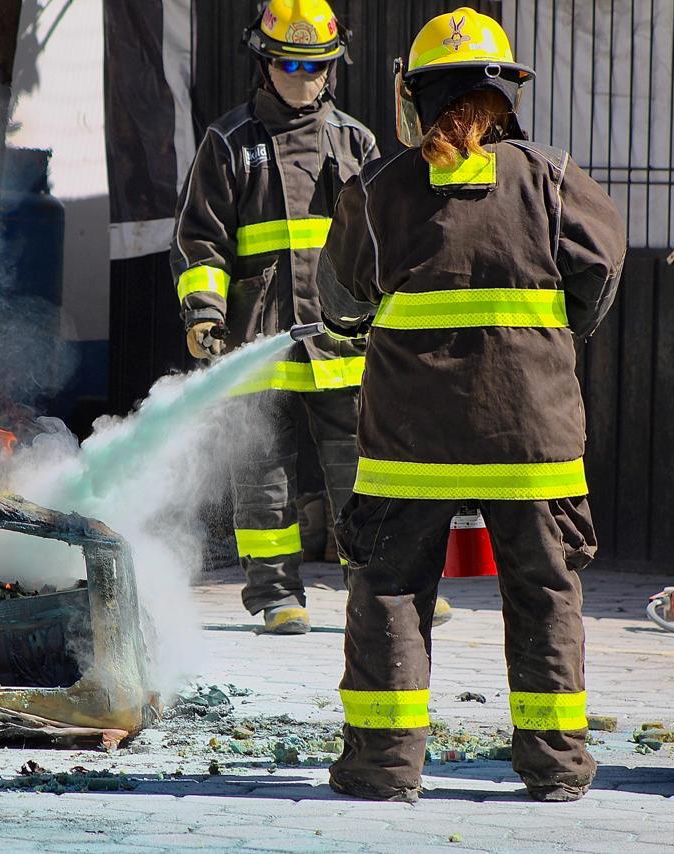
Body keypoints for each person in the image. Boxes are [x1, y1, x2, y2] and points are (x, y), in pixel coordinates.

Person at [317, 8, 626, 801]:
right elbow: (602, 268)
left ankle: (382, 768)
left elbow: (340, 307)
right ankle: (555, 768)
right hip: (533, 439)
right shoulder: (555, 181)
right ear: (505, 98)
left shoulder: (377, 191)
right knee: (545, 593)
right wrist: (555, 338)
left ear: (414, 98)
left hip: (408, 445)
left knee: (389, 590)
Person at [172, 0, 454, 635]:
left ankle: (381, 589)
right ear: (265, 62)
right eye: (292, 64)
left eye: (319, 66)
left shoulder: (356, 141)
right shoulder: (229, 143)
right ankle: (275, 597)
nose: (306, 78)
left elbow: (389, 239)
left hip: (342, 340)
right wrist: (203, 311)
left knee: (361, 475)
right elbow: (201, 241)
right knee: (263, 478)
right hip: (257, 340)